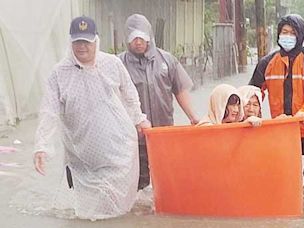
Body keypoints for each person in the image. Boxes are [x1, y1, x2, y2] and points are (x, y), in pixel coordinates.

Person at [33, 16, 150, 220]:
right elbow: (49, 111)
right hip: (81, 156)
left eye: (86, 41)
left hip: (118, 150)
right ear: (70, 42)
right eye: (77, 41)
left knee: (118, 209)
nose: (82, 47)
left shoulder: (112, 64)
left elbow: (130, 93)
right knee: (87, 212)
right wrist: (41, 145)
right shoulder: (59, 74)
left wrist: (139, 118)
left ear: (96, 40)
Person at [249, 14, 304, 193]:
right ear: (278, 34)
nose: (288, 36)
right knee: (281, 173)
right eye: (284, 32)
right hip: (282, 128)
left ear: (300, 35)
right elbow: (253, 94)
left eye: (293, 33)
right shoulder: (267, 63)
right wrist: (250, 114)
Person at [119, 14, 199, 190]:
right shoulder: (118, 64)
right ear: (127, 39)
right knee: (137, 185)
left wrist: (193, 117)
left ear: (149, 36)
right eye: (133, 38)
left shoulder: (167, 60)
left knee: (167, 180)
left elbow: (180, 90)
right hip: (133, 138)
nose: (138, 42)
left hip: (164, 134)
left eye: (142, 37)